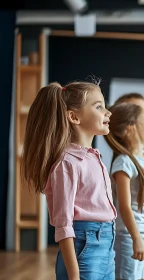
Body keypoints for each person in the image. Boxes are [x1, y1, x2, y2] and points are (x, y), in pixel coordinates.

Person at [21, 82, 117, 280]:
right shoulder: (67, 163)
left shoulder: (93, 157)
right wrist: (74, 274)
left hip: (106, 243)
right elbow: (63, 223)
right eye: (99, 106)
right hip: (85, 246)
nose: (108, 112)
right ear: (74, 117)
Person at [104, 102, 144, 280]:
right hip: (128, 235)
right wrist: (136, 238)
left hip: (140, 233)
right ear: (130, 128)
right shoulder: (124, 162)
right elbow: (124, 206)